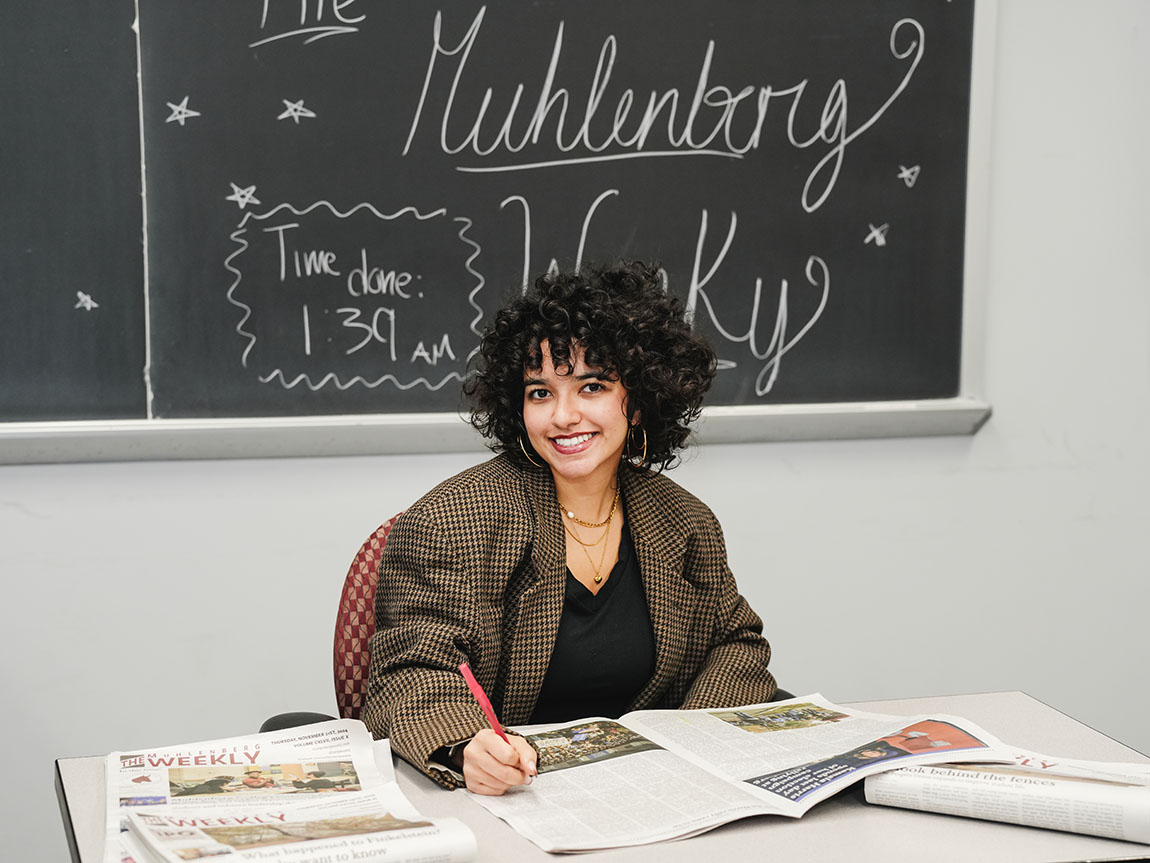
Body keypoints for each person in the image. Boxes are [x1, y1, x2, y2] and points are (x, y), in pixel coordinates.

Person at [362, 261, 776, 795]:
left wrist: (689, 741)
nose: (563, 415)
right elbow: (411, 670)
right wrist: (464, 745)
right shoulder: (452, 521)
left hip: (655, 793)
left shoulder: (685, 521)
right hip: (512, 798)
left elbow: (736, 642)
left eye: (592, 386)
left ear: (642, 399)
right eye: (540, 392)